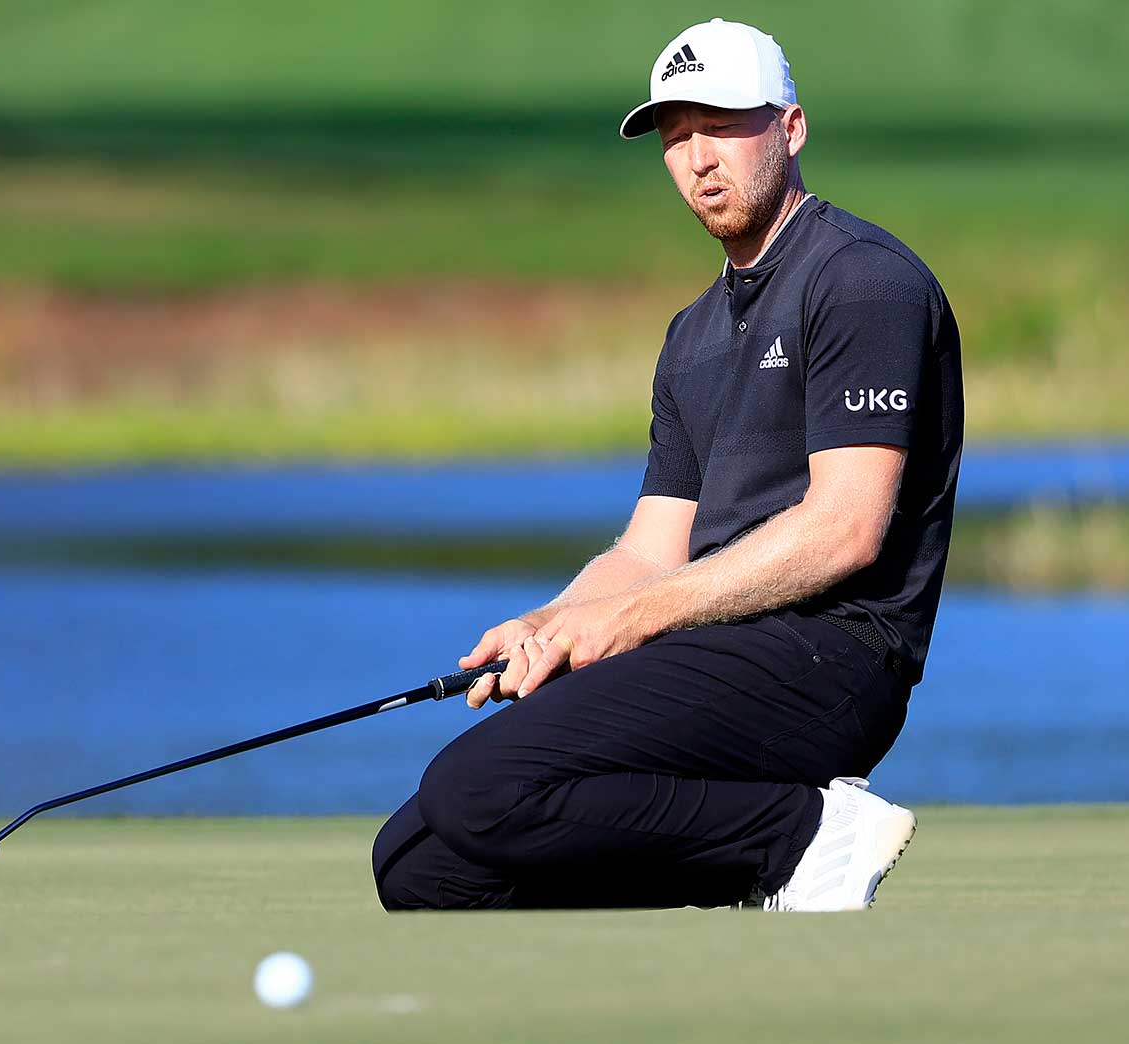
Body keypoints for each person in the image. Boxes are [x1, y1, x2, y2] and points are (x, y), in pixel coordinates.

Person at [373, 18, 963, 911]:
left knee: (476, 791)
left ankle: (798, 834)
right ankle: (774, 854)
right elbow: (651, 551)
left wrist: (633, 622)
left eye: (723, 125)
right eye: (677, 136)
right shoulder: (691, 337)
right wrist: (548, 622)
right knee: (419, 865)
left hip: (834, 659)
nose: (698, 158)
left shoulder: (862, 281)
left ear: (791, 128)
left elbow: (845, 529)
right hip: (719, 648)